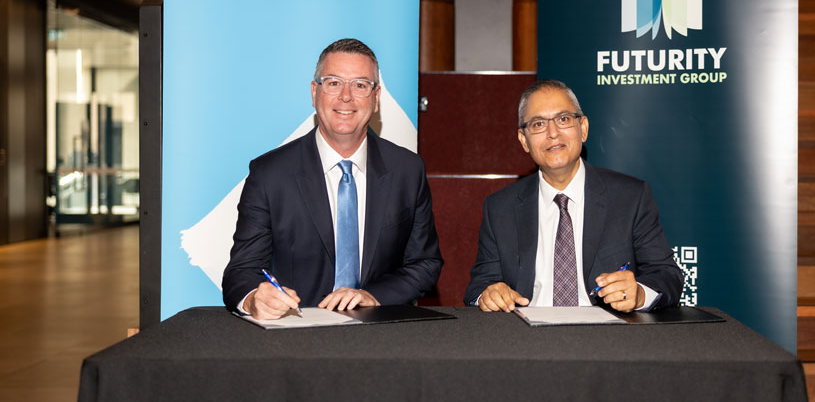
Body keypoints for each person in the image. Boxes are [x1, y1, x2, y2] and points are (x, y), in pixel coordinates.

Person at [223, 38, 442, 319]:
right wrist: (254, 299)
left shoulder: (407, 170)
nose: (346, 96)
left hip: (381, 336)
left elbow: (425, 264)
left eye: (360, 85)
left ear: (375, 100)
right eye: (334, 83)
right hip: (296, 337)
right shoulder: (270, 174)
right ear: (314, 93)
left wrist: (373, 296)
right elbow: (241, 271)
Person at [464, 79, 682, 312]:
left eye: (563, 119)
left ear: (584, 128)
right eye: (538, 124)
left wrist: (639, 293)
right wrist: (489, 294)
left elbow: (667, 275)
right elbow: (479, 286)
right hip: (526, 339)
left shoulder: (630, 197)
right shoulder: (500, 208)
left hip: (609, 338)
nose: (553, 133)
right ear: (523, 140)